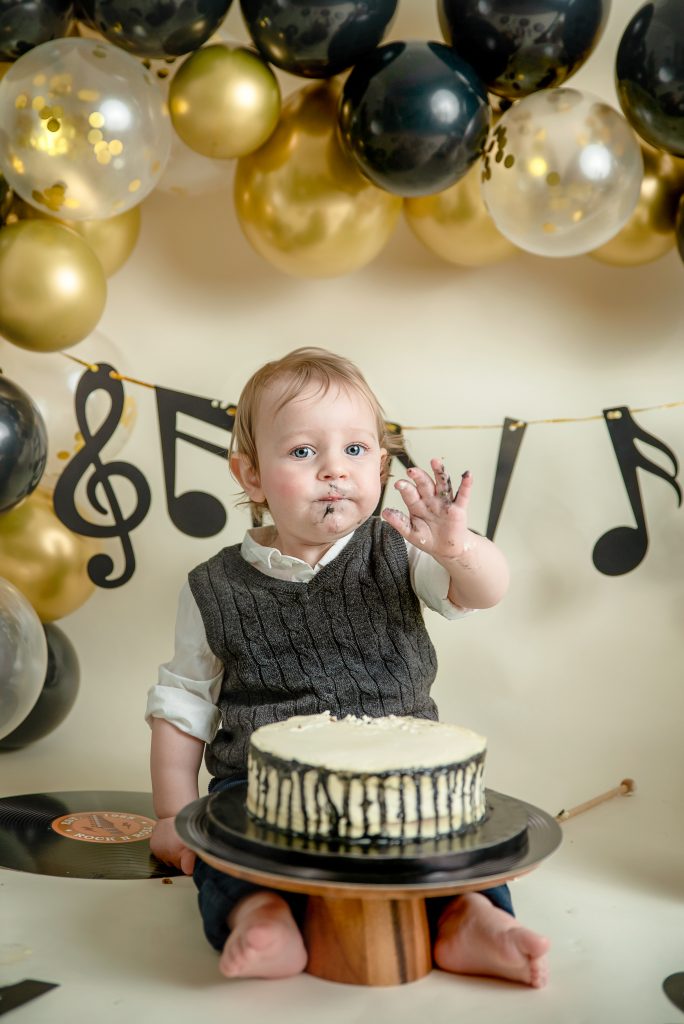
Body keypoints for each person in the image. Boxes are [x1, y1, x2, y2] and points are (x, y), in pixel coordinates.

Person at [147, 347, 550, 987]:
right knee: (225, 853)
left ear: (382, 465)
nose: (334, 470)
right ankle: (262, 915)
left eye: (356, 451)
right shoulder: (212, 587)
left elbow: (483, 592)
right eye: (304, 452)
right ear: (250, 475)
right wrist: (173, 814)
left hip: (401, 780)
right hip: (260, 784)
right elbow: (184, 704)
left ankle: (468, 919)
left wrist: (457, 547)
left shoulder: (400, 545)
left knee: (449, 853)